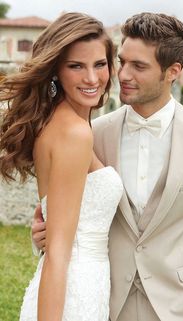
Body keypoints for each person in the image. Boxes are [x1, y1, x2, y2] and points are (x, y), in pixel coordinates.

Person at [32, 12, 183, 321]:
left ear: (173, 72)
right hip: (108, 301)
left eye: (138, 66)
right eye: (122, 62)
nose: (123, 75)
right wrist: (42, 232)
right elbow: (69, 218)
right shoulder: (93, 134)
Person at [0, 12, 123, 321]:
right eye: (76, 66)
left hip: (83, 283)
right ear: (55, 70)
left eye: (99, 64)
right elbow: (57, 252)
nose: (92, 79)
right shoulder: (74, 133)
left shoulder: (59, 121)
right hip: (72, 292)